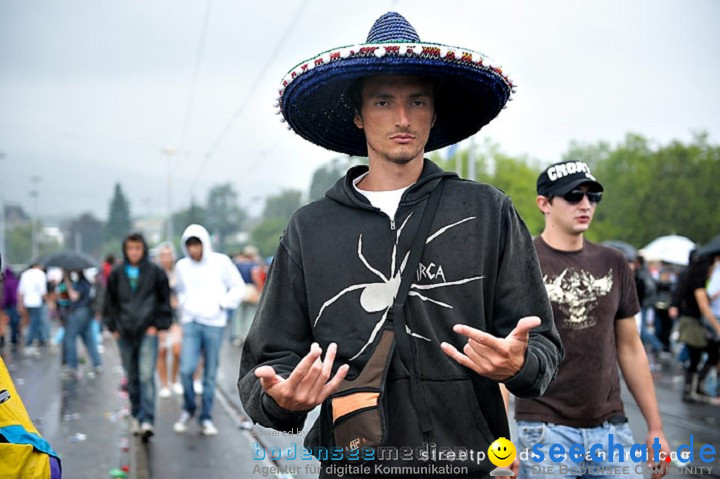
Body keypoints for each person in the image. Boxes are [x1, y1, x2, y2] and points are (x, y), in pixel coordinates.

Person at [238, 12, 563, 478]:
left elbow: (543, 349)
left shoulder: (486, 212)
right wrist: (281, 397)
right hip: (354, 463)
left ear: (435, 112)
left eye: (418, 101)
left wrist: (520, 364)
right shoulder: (311, 228)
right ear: (358, 114)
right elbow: (267, 362)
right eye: (383, 102)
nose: (403, 118)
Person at [513, 160, 670, 478]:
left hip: (611, 428)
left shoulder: (613, 262)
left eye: (592, 196)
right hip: (543, 429)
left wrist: (655, 428)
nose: (585, 204)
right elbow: (506, 354)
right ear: (544, 203)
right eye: (572, 196)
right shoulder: (520, 262)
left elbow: (630, 348)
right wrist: (502, 439)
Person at [173, 224, 245, 436]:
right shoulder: (182, 266)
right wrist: (185, 304)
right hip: (192, 322)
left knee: (210, 374)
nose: (194, 250)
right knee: (186, 370)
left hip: (214, 323)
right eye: (189, 245)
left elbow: (238, 287)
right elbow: (180, 291)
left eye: (197, 244)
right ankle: (188, 408)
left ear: (204, 243)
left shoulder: (220, 262)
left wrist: (222, 304)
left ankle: (206, 416)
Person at [104, 233, 172, 439]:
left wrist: (157, 325)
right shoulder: (117, 273)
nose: (134, 252)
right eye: (130, 248)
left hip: (147, 330)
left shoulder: (155, 272)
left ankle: (147, 419)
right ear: (125, 250)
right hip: (124, 331)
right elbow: (110, 301)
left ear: (143, 249)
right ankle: (136, 415)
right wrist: (112, 327)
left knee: (145, 376)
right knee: (132, 376)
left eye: (137, 248)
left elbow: (164, 301)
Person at [676, 254, 720, 401]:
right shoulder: (698, 282)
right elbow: (704, 307)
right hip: (693, 323)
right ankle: (690, 389)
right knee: (697, 355)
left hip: (692, 321)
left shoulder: (693, 280)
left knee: (709, 352)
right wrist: (717, 326)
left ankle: (695, 386)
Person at [154, 242, 183, 399]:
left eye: (168, 255)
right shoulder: (155, 274)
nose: (166, 258)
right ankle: (164, 384)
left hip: (176, 316)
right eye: (163, 255)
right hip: (160, 317)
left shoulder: (178, 272)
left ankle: (174, 380)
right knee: (162, 351)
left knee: (177, 350)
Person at [62, 270, 103, 378]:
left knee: (70, 338)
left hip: (79, 312)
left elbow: (74, 296)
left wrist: (67, 281)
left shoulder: (81, 283)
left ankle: (72, 366)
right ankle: (97, 363)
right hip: (87, 312)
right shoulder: (88, 283)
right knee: (88, 339)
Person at [17, 263, 48, 353]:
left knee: (32, 322)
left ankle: (38, 339)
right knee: (35, 322)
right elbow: (42, 290)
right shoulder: (40, 274)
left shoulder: (25, 274)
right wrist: (48, 301)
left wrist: (20, 303)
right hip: (36, 302)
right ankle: (30, 341)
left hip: (27, 301)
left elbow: (21, 290)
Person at [2, 267, 21, 349]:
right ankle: (15, 337)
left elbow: (6, 296)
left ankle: (11, 338)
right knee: (15, 321)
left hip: (9, 305)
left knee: (7, 322)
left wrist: (2, 305)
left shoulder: (6, 283)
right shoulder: (15, 281)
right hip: (16, 304)